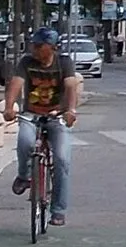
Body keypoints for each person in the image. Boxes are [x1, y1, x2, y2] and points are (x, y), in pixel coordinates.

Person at [6, 27, 82, 227]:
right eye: (33, 44)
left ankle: (58, 210)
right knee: (24, 141)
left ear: (52, 48)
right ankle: (24, 175)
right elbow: (16, 83)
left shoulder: (64, 63)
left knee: (62, 160)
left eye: (39, 46)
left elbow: (71, 86)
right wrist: (9, 107)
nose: (35, 49)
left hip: (57, 117)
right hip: (31, 114)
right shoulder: (26, 62)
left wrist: (71, 111)